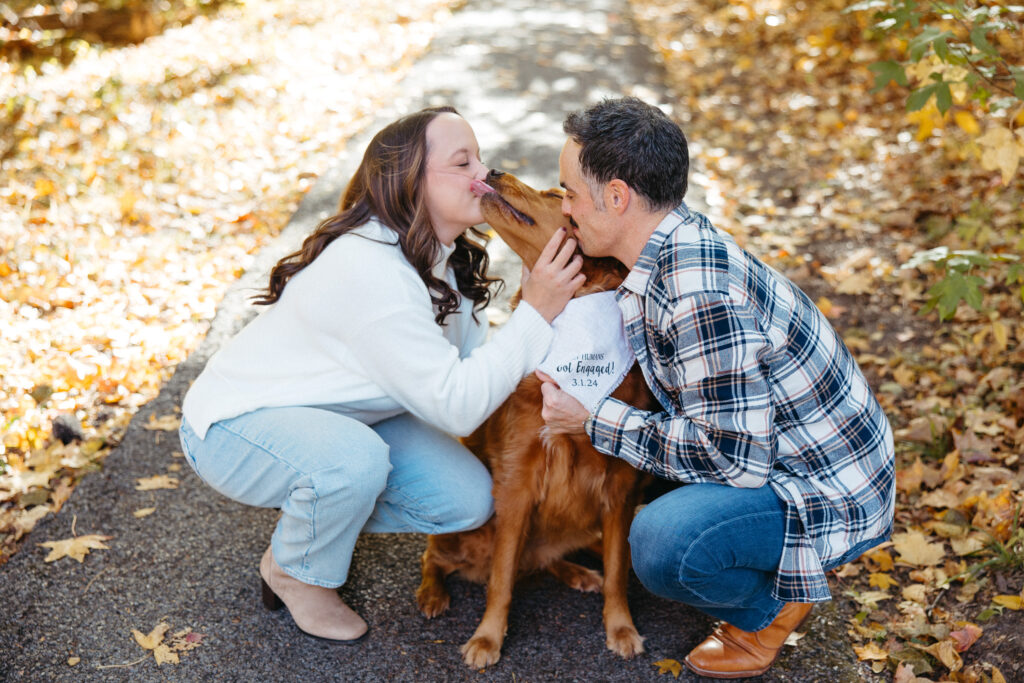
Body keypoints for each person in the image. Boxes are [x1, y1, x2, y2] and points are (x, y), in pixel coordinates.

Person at [178, 106, 584, 643]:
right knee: (354, 463)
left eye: (480, 158)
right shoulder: (371, 271)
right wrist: (536, 311)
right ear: (410, 182)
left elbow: (471, 369)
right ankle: (295, 571)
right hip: (236, 428)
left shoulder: (442, 257)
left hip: (340, 418)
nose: (482, 175)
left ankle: (320, 515)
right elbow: (457, 405)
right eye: (463, 162)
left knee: (464, 499)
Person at [537, 97, 895, 679]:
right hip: (791, 453)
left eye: (570, 192)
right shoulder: (670, 243)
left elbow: (734, 458)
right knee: (656, 491)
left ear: (619, 197)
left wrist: (592, 418)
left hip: (828, 491)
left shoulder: (697, 293)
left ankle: (769, 614)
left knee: (660, 541)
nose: (564, 208)